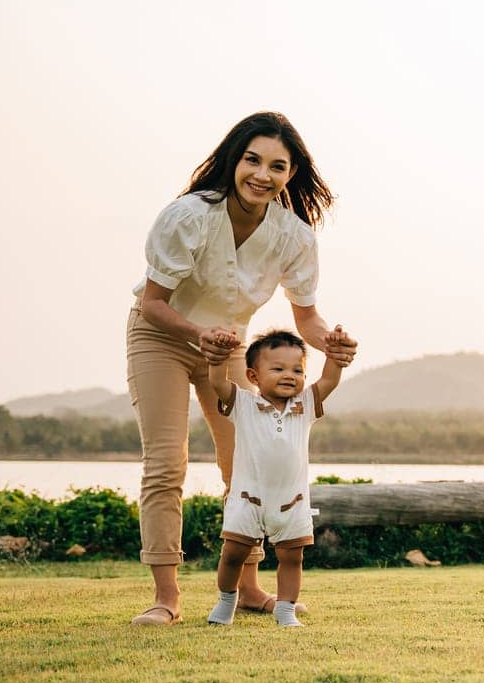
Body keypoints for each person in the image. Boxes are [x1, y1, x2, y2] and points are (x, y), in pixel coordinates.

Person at [127, 112, 357, 627]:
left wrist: (334, 345)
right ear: (234, 159)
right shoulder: (187, 216)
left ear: (291, 174)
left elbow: (307, 318)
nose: (262, 174)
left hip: (230, 346)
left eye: (277, 166)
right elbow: (153, 303)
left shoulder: (294, 236)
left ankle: (249, 589)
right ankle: (167, 597)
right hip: (162, 337)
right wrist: (199, 335)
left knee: (244, 467)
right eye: (253, 160)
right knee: (167, 463)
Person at [204, 327, 350, 628]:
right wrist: (218, 353)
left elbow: (330, 379)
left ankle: (286, 610)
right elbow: (217, 381)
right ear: (253, 376)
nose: (290, 375)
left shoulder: (305, 405)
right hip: (247, 498)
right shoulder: (243, 404)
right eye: (278, 368)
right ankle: (227, 601)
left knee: (292, 558)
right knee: (233, 554)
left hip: (291, 501)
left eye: (298, 370)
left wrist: (334, 353)